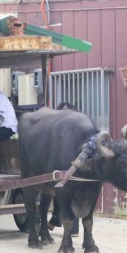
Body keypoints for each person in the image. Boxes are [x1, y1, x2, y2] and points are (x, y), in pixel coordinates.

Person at [47, 101, 80, 237]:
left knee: (71, 196)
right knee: (61, 193)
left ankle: (73, 229)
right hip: (65, 165)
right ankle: (55, 220)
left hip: (72, 165)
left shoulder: (75, 127)